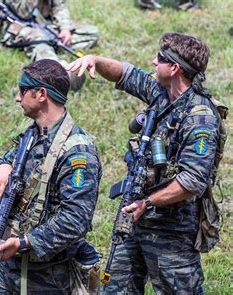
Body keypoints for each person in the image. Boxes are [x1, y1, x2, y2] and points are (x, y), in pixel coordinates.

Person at [66, 32, 226, 294]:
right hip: (134, 219)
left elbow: (191, 182)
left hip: (171, 230)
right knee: (116, 289)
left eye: (160, 58)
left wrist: (147, 203)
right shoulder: (162, 93)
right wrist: (94, 59)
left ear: (174, 68)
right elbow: (124, 74)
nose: (153, 61)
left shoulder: (200, 118)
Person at [0, 59, 102, 293]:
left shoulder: (78, 153)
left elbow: (76, 220)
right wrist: (3, 166)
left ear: (41, 94)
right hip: (5, 266)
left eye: (22, 90)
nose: (17, 97)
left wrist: (24, 243)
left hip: (48, 275)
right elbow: (6, 161)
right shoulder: (34, 134)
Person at [0, 0, 99, 92]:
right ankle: (59, 73)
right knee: (39, 38)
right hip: (16, 25)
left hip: (42, 23)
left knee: (91, 33)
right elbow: (23, 12)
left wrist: (65, 28)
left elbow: (59, 6)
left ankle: (51, 45)